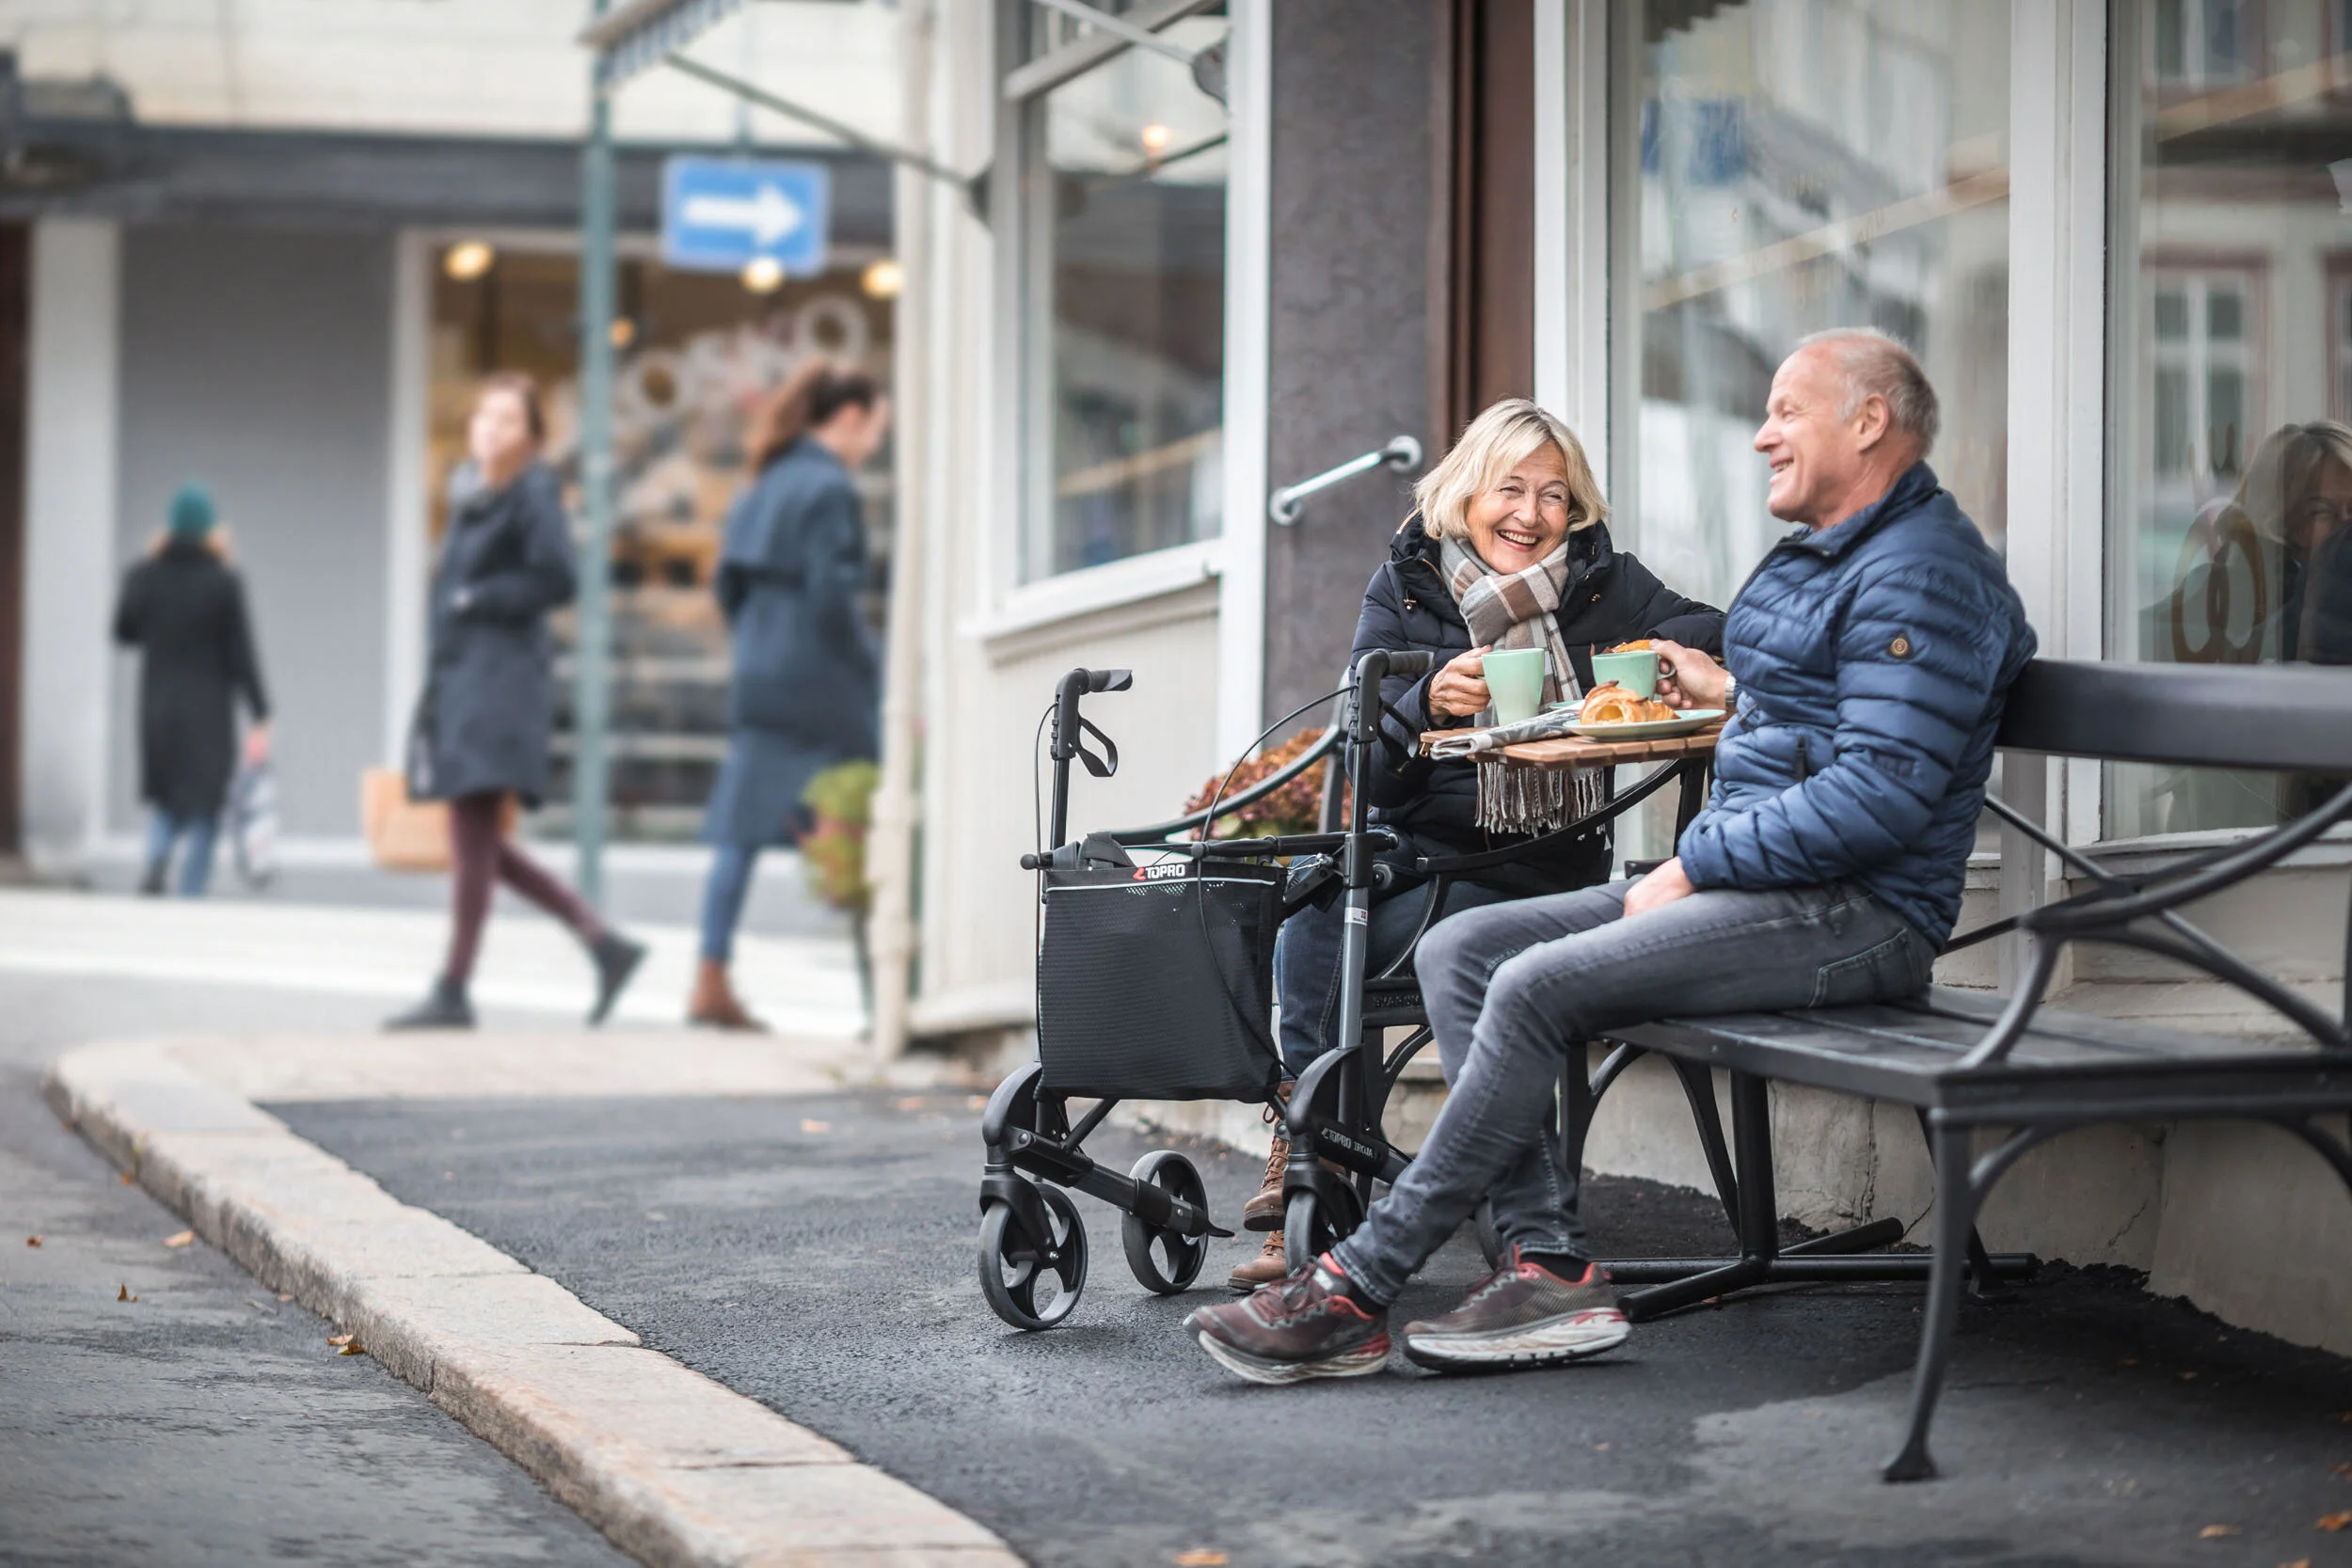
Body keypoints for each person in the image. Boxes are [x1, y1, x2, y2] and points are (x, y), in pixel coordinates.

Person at [1187, 327, 2036, 1383]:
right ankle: (1545, 1262)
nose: (1762, 433)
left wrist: (1699, 861)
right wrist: (1735, 695)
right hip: (1773, 885)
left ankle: (1357, 1283)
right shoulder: (1837, 558)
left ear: (1866, 424)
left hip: (1852, 912)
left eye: (1786, 411)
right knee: (1465, 954)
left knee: (1532, 979)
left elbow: (1881, 794)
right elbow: (1827, 714)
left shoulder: (1920, 575)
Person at [1229, 399, 1722, 1291]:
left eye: (1556, 497)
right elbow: (1364, 760)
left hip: (1542, 865)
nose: (1532, 516)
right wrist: (1423, 710)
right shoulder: (1408, 586)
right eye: (1512, 489)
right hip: (1424, 859)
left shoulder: (1604, 585)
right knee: (1313, 902)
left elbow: (1718, 633)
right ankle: (1312, 1151)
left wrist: (1641, 654)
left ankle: (1330, 1174)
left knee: (1341, 921)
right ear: (1466, 491)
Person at [386, 373, 647, 1031]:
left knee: (473, 832)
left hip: (501, 683)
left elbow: (558, 576)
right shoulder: (471, 491)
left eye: (507, 419)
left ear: (530, 434)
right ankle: (601, 943)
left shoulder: (534, 493)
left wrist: (481, 598)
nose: (490, 429)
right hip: (463, 676)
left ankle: (455, 986)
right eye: (483, 416)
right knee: (478, 839)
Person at [689, 364, 888, 1029]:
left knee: (740, 835)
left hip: (761, 672)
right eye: (874, 431)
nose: (872, 447)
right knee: (859, 819)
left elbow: (726, 586)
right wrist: (869, 666)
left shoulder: (765, 480)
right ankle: (881, 993)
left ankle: (709, 975)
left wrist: (758, 642)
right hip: (822, 680)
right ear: (851, 419)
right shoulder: (830, 487)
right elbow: (833, 598)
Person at [112, 483, 270, 897]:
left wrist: (145, 565)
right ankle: (189, 895)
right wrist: (260, 714)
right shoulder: (223, 582)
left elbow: (123, 631)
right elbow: (242, 654)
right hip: (208, 713)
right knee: (205, 808)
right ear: (210, 530)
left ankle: (157, 856)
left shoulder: (145, 576)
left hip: (158, 707)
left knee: (165, 799)